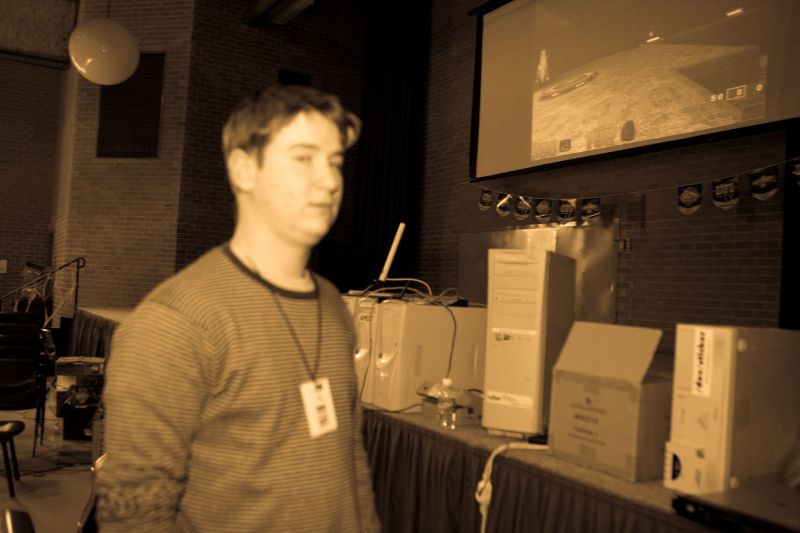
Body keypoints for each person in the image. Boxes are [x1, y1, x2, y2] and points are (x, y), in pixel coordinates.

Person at [96, 85, 381, 532]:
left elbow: (350, 463)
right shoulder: (175, 322)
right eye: (304, 158)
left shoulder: (333, 304)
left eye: (335, 162)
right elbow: (134, 511)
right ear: (244, 169)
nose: (329, 181)